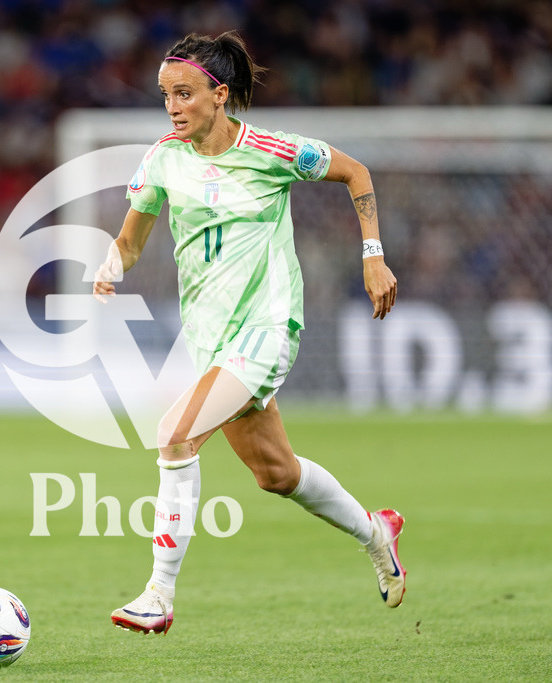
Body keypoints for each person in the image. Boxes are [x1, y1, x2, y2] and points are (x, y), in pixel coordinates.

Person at [93, 31, 404, 635]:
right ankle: (376, 531)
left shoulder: (271, 151)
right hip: (212, 342)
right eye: (165, 96)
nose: (173, 107)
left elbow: (356, 173)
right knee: (276, 474)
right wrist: (112, 263)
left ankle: (159, 594)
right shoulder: (162, 158)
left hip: (267, 328)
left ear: (220, 94)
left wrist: (372, 255)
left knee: (175, 436)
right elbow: (130, 243)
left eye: (184, 94)